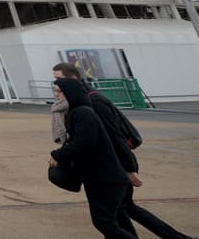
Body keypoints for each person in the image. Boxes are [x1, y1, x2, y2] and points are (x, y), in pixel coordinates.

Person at [52, 63, 197, 239]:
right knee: (120, 213)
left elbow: (115, 137)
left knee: (114, 216)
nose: (55, 86)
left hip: (114, 168)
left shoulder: (94, 104)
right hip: (108, 168)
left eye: (58, 80)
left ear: (72, 80)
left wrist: (129, 168)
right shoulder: (81, 105)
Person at [49, 76, 139, 238]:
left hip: (106, 177)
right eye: (55, 91)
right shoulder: (75, 112)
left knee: (104, 222)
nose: (56, 95)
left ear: (70, 92)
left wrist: (58, 155)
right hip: (97, 176)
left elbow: (85, 142)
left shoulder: (82, 113)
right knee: (113, 221)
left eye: (59, 91)